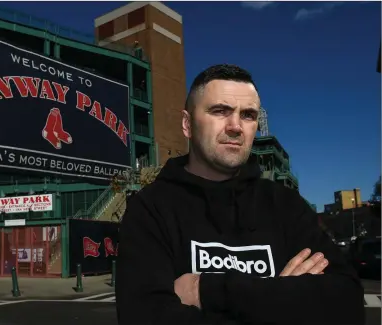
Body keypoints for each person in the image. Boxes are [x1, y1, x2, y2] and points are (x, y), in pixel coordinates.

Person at [115, 64, 365, 325]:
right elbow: (146, 316)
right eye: (220, 111)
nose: (235, 126)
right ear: (187, 124)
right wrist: (282, 299)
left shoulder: (286, 205)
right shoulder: (150, 208)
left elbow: (347, 304)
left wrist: (209, 290)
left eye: (247, 115)